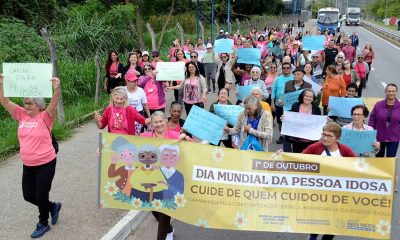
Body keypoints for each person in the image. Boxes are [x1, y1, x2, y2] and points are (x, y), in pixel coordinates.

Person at [0, 74, 62, 238]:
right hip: (28, 164)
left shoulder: (45, 117)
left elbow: (54, 105)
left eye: (30, 103)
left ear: (39, 105)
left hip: (46, 162)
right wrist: (1, 84)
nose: (26, 105)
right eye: (25, 102)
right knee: (28, 195)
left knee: (41, 195)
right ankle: (52, 207)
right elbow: (5, 101)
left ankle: (43, 223)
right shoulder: (21, 115)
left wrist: (57, 90)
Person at [140, 111, 190, 240]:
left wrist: (186, 138)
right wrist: (102, 148)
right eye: (155, 122)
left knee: (164, 211)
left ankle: (163, 234)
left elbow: (192, 148)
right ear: (151, 124)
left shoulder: (175, 135)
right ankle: (169, 229)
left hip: (170, 181)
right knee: (154, 210)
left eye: (160, 121)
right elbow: (126, 145)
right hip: (152, 180)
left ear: (165, 122)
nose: (158, 124)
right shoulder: (143, 137)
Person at [304, 122, 356, 240]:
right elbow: (298, 160)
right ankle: (312, 236)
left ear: (337, 138)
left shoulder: (345, 151)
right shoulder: (315, 147)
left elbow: (359, 166)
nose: (325, 138)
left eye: (329, 136)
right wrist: (282, 156)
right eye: (324, 135)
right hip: (318, 193)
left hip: (337, 195)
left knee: (334, 221)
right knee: (317, 217)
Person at [369, 83, 400, 157]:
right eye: (389, 91)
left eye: (393, 91)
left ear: (396, 92)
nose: (391, 93)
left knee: (390, 160)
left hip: (394, 138)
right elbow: (372, 119)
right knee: (379, 160)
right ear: (385, 92)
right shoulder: (378, 105)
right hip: (379, 137)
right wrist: (370, 133)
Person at [271, 62, 293, 144]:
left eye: (288, 67)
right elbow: (273, 91)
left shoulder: (294, 78)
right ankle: (281, 136)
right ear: (282, 69)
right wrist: (272, 103)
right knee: (280, 122)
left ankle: (289, 136)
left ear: (290, 69)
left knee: (289, 121)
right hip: (278, 104)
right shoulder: (278, 79)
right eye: (284, 68)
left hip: (290, 105)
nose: (286, 69)